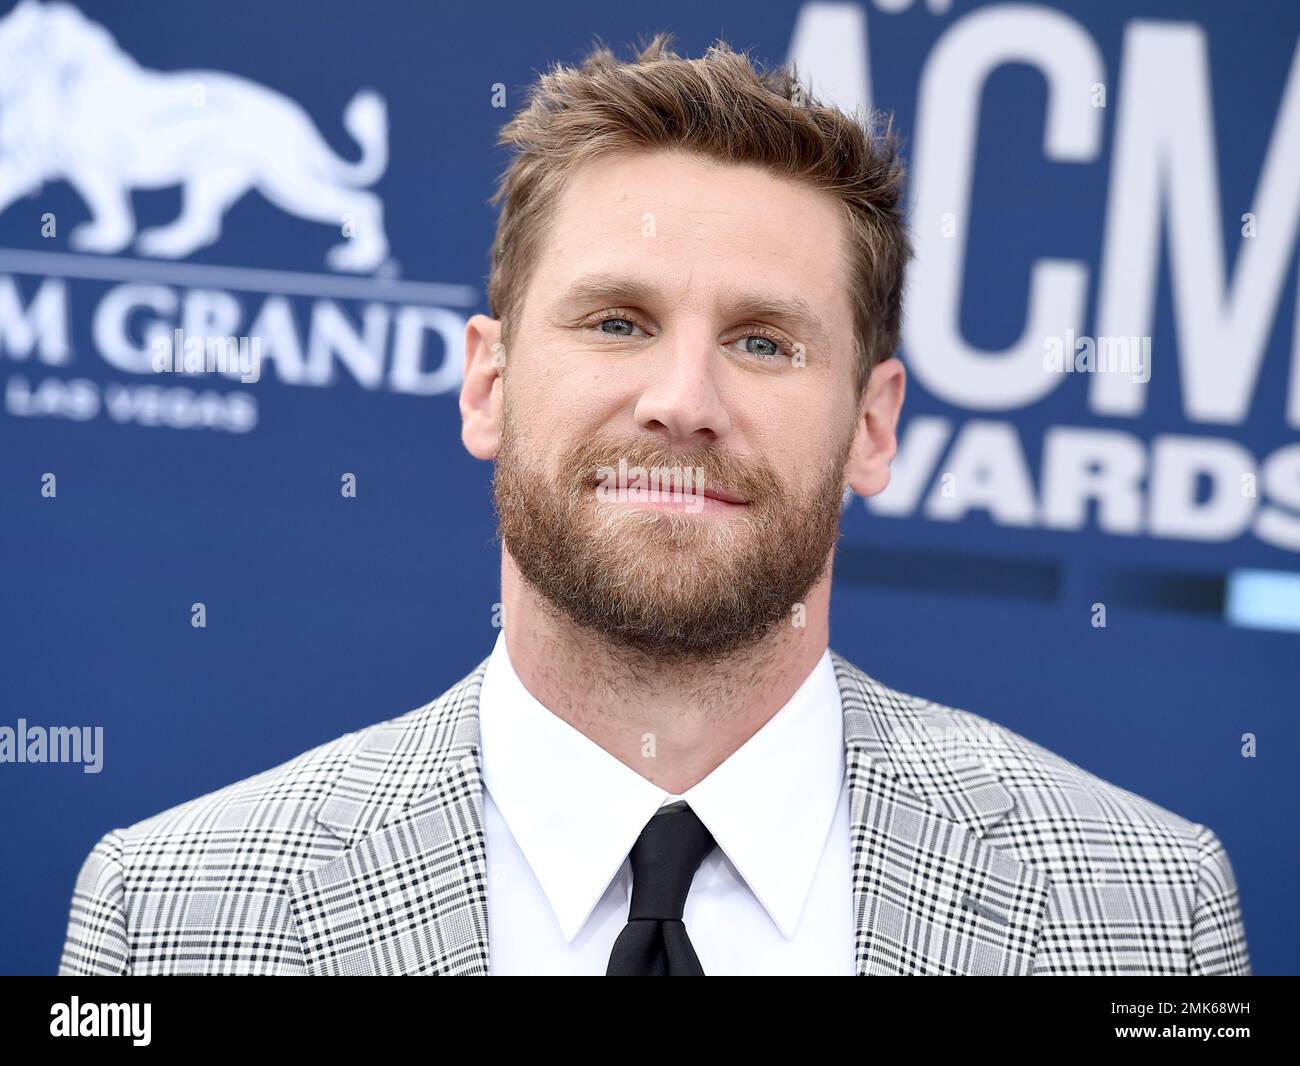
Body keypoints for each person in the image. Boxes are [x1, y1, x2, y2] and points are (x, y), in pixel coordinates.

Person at [59, 33, 1250, 976]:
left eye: (764, 340)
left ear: (873, 426)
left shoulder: (1142, 905)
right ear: (488, 382)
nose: (682, 402)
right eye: (617, 321)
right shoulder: (176, 914)